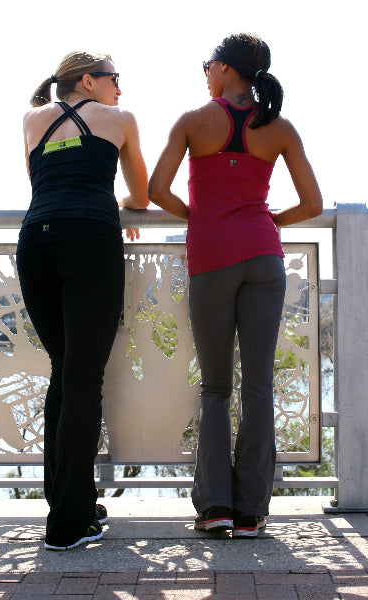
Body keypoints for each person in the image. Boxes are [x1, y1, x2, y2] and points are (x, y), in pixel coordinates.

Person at [148, 33, 323, 537]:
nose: (205, 73)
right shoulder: (279, 128)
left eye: (208, 65)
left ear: (224, 68)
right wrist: (266, 221)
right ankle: (251, 511)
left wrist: (203, 216)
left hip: (213, 259)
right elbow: (313, 204)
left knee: (216, 387)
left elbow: (157, 191)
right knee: (259, 386)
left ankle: (216, 508)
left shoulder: (192, 122)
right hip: (266, 258)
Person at [16, 51, 149, 550]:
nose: (121, 89)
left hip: (37, 243)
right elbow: (140, 194)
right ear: (89, 81)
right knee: (82, 378)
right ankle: (69, 522)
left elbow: (39, 186)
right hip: (90, 241)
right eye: (116, 79)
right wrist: (118, 205)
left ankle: (68, 503)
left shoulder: (32, 121)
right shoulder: (119, 120)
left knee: (63, 371)